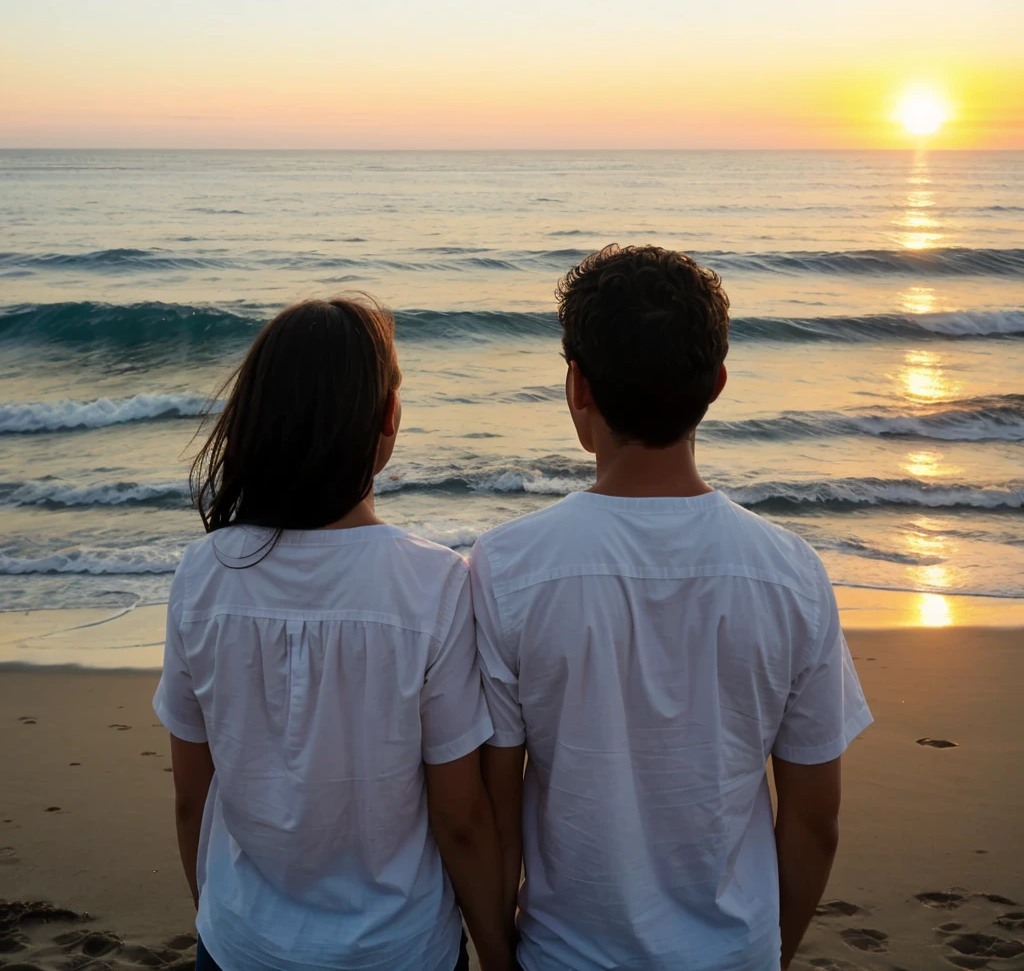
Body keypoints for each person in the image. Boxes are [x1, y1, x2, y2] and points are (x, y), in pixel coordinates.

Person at [472, 245, 873, 971]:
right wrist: (767, 954)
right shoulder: (790, 574)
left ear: (577, 387)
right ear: (718, 384)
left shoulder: (509, 568)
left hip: (566, 955)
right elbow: (814, 822)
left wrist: (499, 956)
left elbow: (497, 815)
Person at [153, 298, 511, 971]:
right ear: (387, 422)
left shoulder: (205, 575)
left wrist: (223, 919)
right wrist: (498, 953)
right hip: (398, 949)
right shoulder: (431, 584)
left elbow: (190, 797)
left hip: (240, 943)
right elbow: (461, 818)